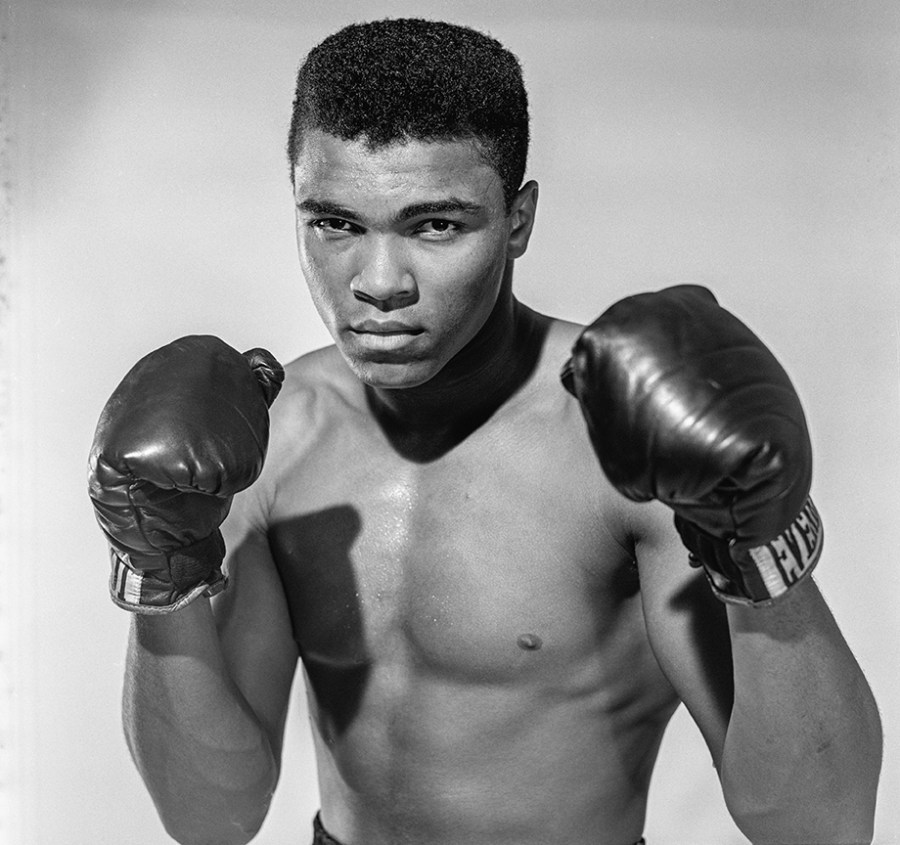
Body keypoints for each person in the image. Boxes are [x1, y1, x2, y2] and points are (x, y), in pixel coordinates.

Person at [88, 18, 882, 845]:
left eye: (435, 225)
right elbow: (211, 819)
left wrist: (763, 550)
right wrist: (158, 572)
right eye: (336, 223)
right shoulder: (273, 437)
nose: (379, 283)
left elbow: (821, 830)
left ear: (518, 220)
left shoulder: (621, 441)